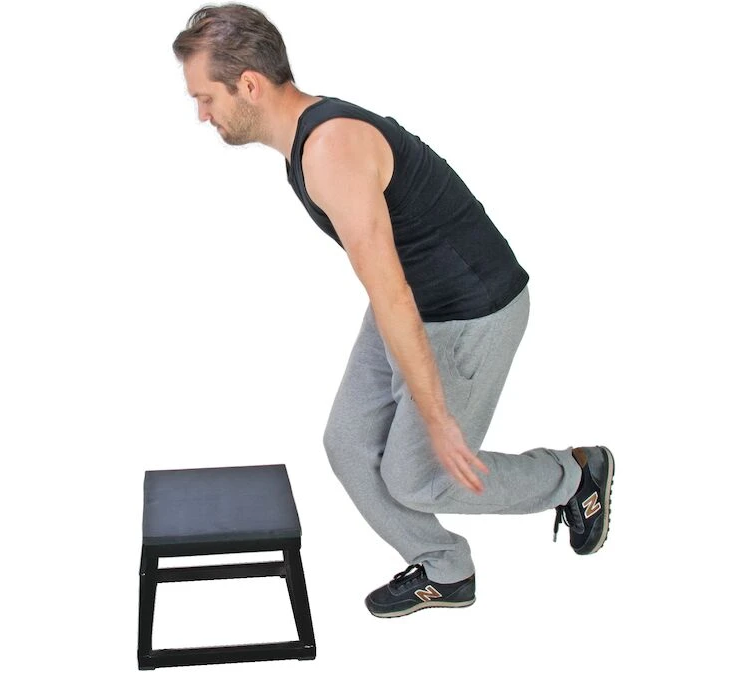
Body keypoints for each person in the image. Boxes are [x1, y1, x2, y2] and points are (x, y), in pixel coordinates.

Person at [172, 3, 615, 619]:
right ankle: (446, 568)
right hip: (414, 302)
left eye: (205, 97)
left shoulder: (331, 149)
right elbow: (392, 288)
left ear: (248, 84)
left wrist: (435, 418)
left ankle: (573, 475)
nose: (201, 114)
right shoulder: (305, 145)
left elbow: (392, 294)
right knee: (348, 446)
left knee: (419, 478)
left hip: (470, 311)